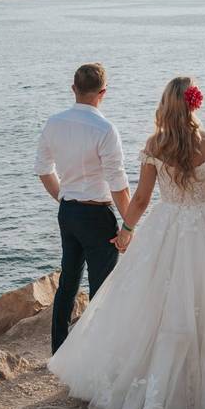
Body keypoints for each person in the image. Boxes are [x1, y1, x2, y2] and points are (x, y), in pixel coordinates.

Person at [48, 76, 205, 409]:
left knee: (155, 302)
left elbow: (141, 198)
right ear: (195, 103)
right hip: (204, 227)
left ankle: (156, 384)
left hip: (165, 226)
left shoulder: (155, 144)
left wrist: (126, 231)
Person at [35, 63, 130, 354]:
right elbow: (118, 185)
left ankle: (60, 350)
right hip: (97, 216)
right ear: (103, 92)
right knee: (103, 288)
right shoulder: (105, 129)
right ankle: (96, 353)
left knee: (68, 282)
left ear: (74, 88)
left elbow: (43, 169)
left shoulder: (54, 122)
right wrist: (130, 225)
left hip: (68, 212)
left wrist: (63, 197)